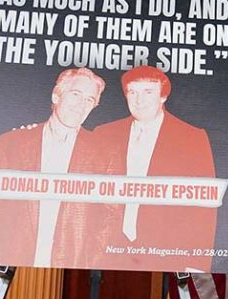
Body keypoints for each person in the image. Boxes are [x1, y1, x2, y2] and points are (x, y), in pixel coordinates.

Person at [0, 68, 106, 268]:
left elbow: (107, 219)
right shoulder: (12, 143)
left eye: (90, 100)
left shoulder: (102, 153)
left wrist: (88, 264)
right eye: (76, 95)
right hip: (13, 265)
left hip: (72, 270)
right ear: (56, 95)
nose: (81, 105)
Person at [92, 66, 216, 272]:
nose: (139, 100)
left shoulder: (191, 138)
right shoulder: (103, 134)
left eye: (148, 91)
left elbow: (204, 206)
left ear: (163, 96)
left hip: (166, 256)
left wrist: (196, 264)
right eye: (133, 92)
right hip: (106, 254)